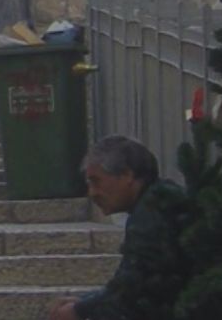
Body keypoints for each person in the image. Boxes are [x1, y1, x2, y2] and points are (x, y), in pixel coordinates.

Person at [50, 136, 194, 320]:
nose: (92, 193)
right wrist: (85, 303)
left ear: (127, 176)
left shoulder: (152, 216)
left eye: (96, 181)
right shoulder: (158, 202)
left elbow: (134, 293)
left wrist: (79, 310)